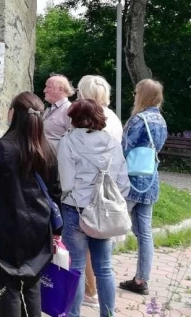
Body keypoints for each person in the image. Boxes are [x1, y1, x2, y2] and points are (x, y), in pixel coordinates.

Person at [0, 92, 61, 317]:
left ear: (13, 114)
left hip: (5, 229)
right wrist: (57, 230)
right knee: (32, 283)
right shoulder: (47, 150)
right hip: (38, 228)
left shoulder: (1, 148)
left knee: (7, 285)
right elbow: (55, 192)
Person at [58, 99, 130, 317]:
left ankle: (74, 314)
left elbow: (67, 182)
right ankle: (108, 314)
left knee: (76, 268)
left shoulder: (68, 141)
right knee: (104, 268)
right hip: (104, 211)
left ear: (74, 118)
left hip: (76, 209)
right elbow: (123, 181)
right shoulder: (111, 142)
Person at [75, 74, 124, 308]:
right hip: (108, 194)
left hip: (84, 195)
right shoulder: (113, 118)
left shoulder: (87, 120)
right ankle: (107, 309)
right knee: (104, 262)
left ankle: (87, 294)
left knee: (80, 254)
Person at [118, 79, 167, 296]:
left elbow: (123, 147)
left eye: (137, 92)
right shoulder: (161, 120)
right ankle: (141, 279)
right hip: (150, 178)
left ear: (144, 95)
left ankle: (101, 272)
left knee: (112, 223)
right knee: (145, 233)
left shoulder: (138, 119)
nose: (134, 95)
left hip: (130, 179)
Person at [42, 74, 74, 152]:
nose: (44, 90)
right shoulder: (49, 108)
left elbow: (74, 141)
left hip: (57, 161)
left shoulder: (70, 110)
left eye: (48, 87)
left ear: (60, 89)